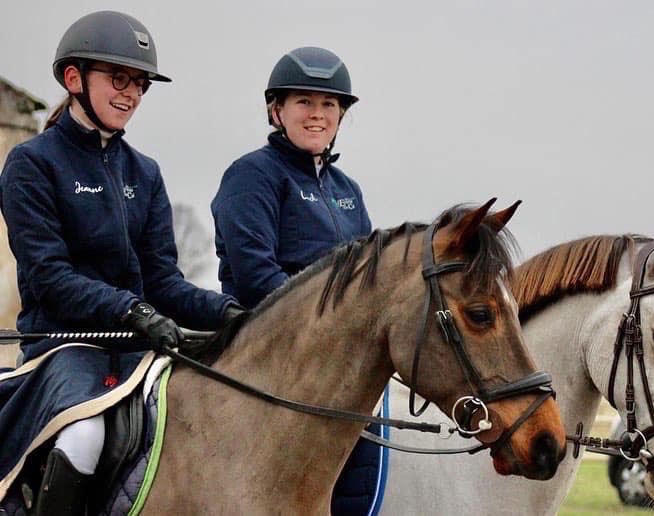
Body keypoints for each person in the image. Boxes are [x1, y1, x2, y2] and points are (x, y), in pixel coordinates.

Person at [0, 11, 241, 515]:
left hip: (140, 352)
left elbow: (164, 282)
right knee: (84, 434)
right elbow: (49, 276)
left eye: (139, 83)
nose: (131, 93)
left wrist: (229, 313)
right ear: (74, 79)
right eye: (118, 79)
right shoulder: (32, 163)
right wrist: (132, 310)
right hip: (63, 349)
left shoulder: (145, 173)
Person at [210, 47, 385, 515]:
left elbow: (367, 282)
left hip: (341, 362)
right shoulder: (250, 176)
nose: (317, 114)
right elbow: (255, 278)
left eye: (329, 105)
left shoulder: (347, 190)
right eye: (305, 102)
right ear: (277, 110)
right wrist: (332, 334)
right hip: (273, 358)